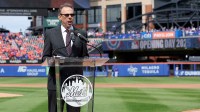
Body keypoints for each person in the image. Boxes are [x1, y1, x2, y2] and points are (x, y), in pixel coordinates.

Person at [42, 2, 89, 112]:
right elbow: (45, 57)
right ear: (59, 17)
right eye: (66, 15)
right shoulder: (50, 33)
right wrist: (53, 61)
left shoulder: (81, 33)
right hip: (55, 83)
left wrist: (85, 60)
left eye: (72, 15)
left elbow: (85, 56)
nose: (69, 18)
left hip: (75, 84)